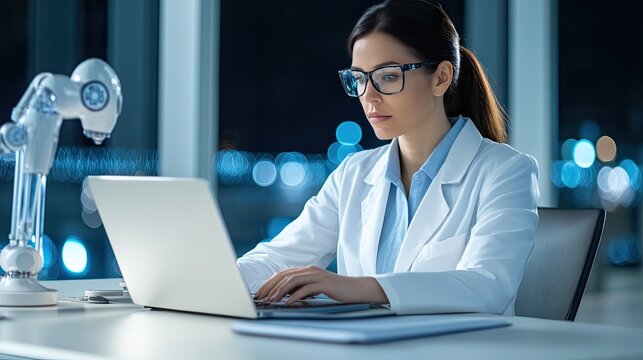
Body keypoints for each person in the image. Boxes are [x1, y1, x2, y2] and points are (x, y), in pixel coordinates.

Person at [237, 0, 540, 315]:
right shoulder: (354, 173)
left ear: (441, 78)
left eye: (388, 76)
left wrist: (353, 287)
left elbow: (487, 285)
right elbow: (279, 258)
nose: (368, 95)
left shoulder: (506, 171)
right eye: (358, 78)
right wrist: (214, 277)